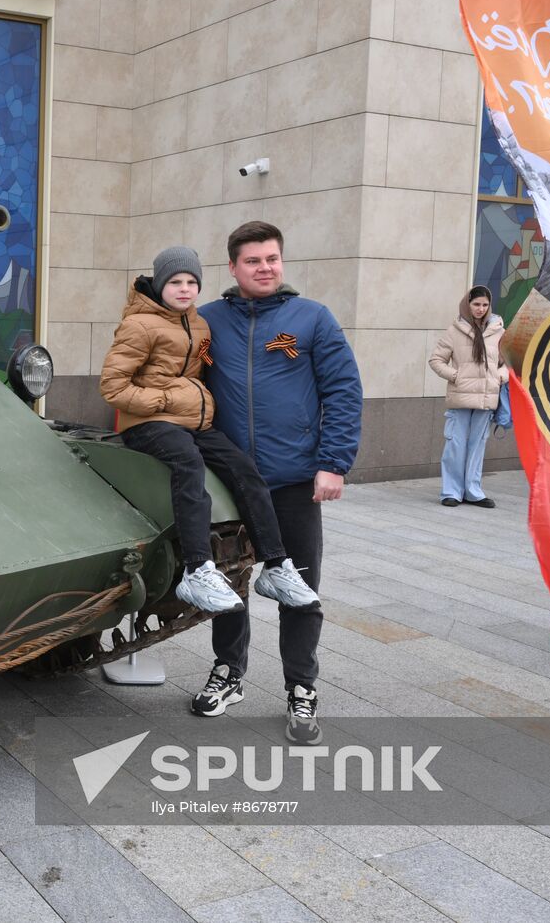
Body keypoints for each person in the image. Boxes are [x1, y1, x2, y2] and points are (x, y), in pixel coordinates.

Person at [196, 222, 362, 745]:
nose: (265, 268)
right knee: (228, 586)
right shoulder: (206, 323)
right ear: (232, 268)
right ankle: (229, 672)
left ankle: (301, 688)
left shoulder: (311, 318)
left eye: (272, 258)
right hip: (230, 484)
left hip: (292, 481)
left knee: (299, 589)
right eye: (253, 261)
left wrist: (333, 462)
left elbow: (343, 391)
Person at [99, 245, 321, 623]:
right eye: (175, 281)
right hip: (148, 423)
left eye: (191, 282)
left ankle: (276, 564)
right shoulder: (138, 324)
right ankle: (197, 570)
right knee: (189, 466)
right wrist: (166, 400)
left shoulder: (197, 322)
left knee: (244, 470)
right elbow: (113, 387)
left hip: (194, 421)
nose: (184, 289)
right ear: (158, 283)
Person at [428, 286, 506, 509]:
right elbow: (436, 360)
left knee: (477, 445)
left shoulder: (498, 330)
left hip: (485, 397)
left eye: (484, 305)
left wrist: (500, 377)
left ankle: (473, 491)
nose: (480, 309)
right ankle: (451, 491)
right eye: (476, 304)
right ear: (467, 304)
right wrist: (456, 376)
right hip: (461, 396)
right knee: (455, 444)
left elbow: (507, 363)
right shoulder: (455, 330)